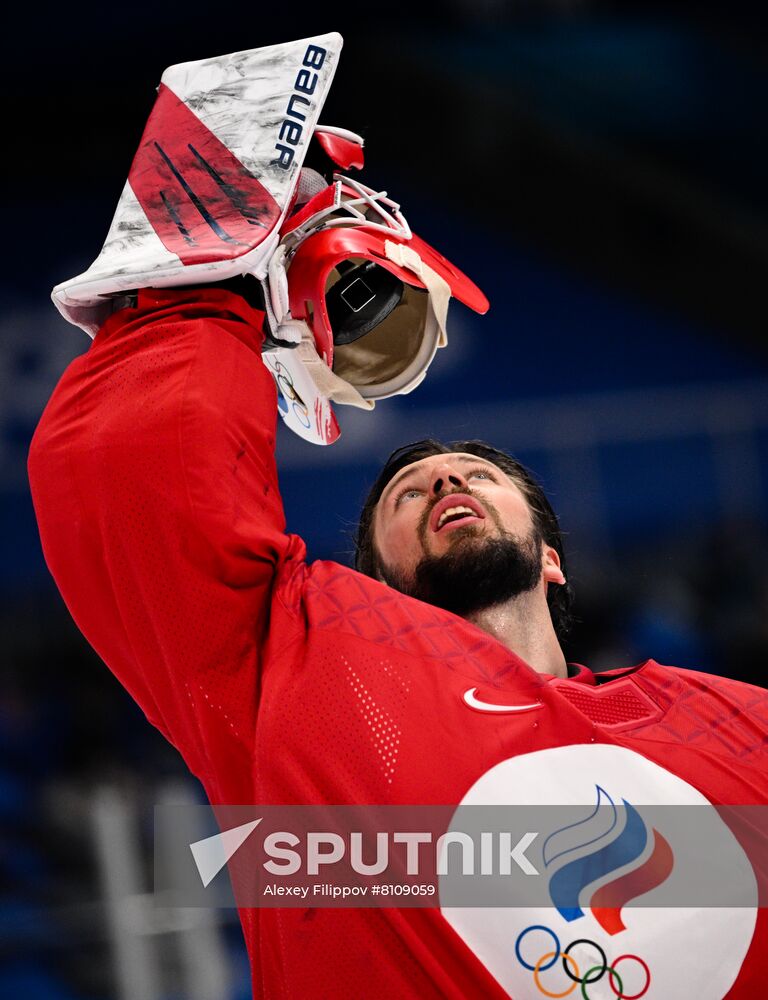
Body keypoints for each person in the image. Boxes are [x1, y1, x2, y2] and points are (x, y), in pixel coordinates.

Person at [28, 33, 768, 1000]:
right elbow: (142, 494)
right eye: (407, 494)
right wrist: (197, 289)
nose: (442, 479)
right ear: (381, 582)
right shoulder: (308, 675)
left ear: (552, 557)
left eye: (477, 475)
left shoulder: (737, 721)